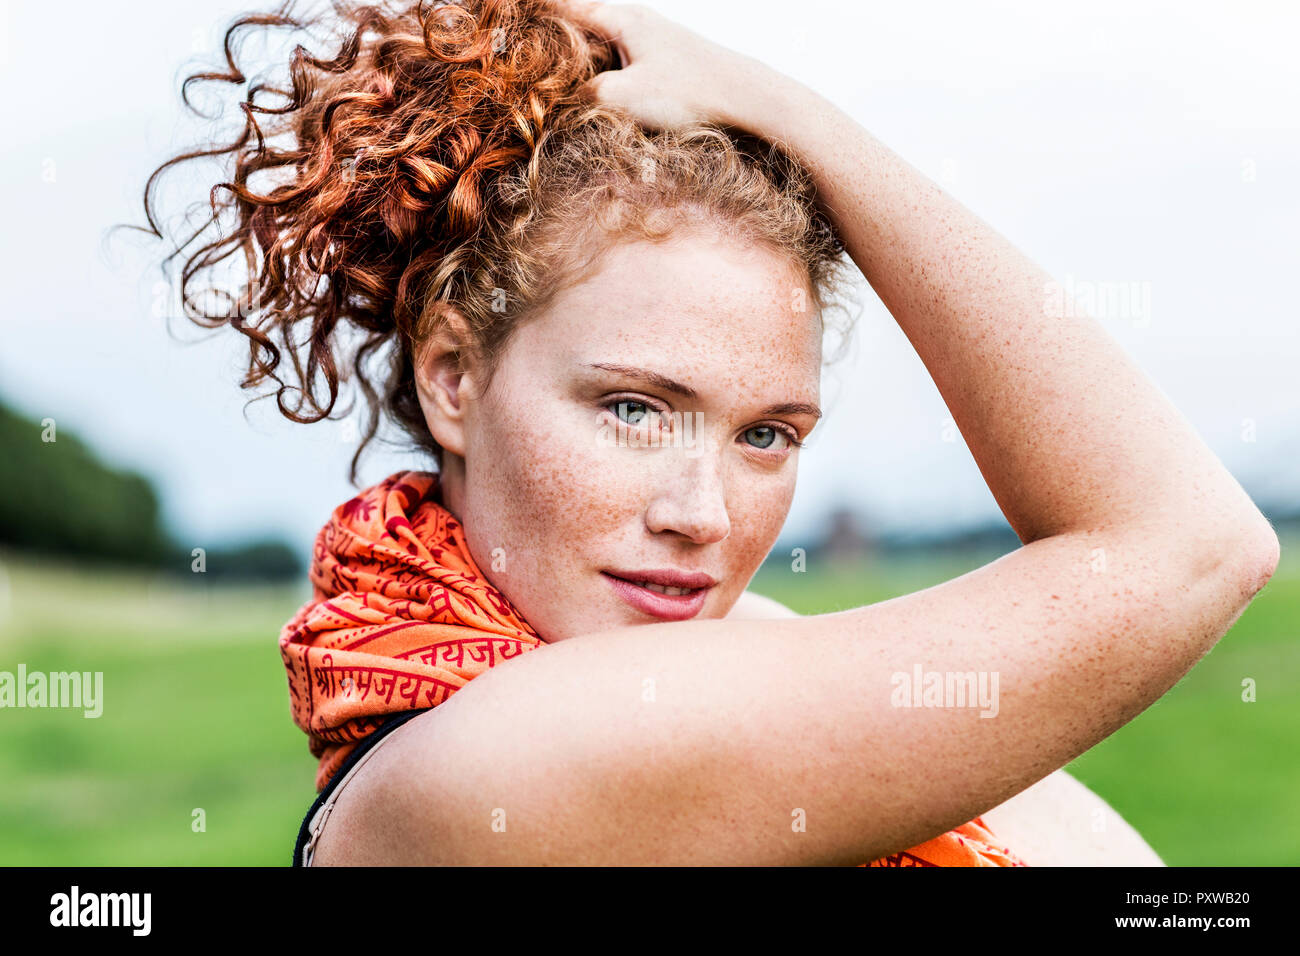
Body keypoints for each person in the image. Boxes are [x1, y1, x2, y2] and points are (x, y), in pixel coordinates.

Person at [140, 0, 1278, 866]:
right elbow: (1187, 544)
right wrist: (797, 116)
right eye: (632, 408)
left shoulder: (726, 660)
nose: (704, 512)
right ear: (450, 377)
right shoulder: (484, 768)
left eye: (768, 435)